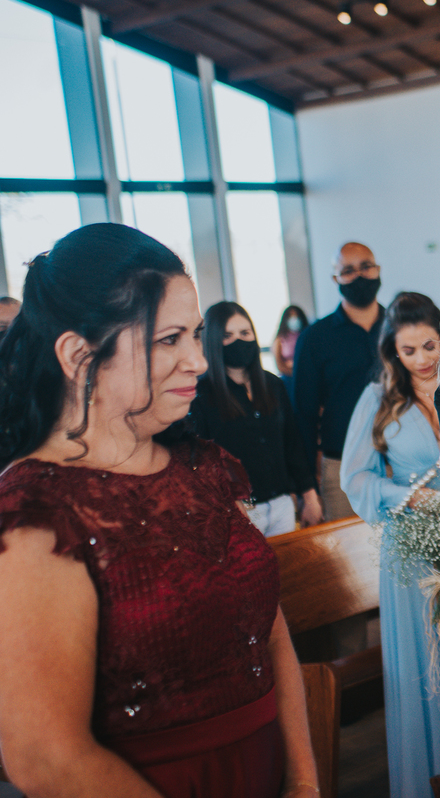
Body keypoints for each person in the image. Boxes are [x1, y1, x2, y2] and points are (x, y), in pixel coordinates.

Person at [0, 223, 318, 798]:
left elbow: (271, 639)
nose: (199, 359)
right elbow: (45, 756)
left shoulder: (204, 469)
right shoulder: (36, 510)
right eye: (170, 339)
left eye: (196, 335)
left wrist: (304, 781)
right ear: (79, 355)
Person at [341, 292, 440, 798]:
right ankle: (428, 776)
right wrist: (405, 497)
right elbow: (355, 479)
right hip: (412, 550)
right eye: (409, 351)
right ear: (394, 353)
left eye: (429, 345)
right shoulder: (379, 399)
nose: (423, 359)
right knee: (424, 665)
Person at [190, 301, 322, 537]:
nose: (238, 341)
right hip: (239, 510)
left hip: (282, 504)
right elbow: (201, 462)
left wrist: (309, 495)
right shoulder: (201, 396)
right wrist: (228, 502)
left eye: (244, 333)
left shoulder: (273, 385)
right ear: (212, 340)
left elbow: (292, 444)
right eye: (227, 335)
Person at [292, 242, 384, 521]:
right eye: (348, 270)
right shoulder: (315, 338)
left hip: (401, 460)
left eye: (366, 267)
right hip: (342, 467)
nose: (359, 276)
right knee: (349, 559)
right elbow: (304, 415)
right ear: (336, 279)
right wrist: (307, 488)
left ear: (377, 269)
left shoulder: (399, 326)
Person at [272, 305, 308, 403]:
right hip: (289, 379)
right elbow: (280, 365)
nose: (294, 319)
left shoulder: (307, 337)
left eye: (296, 316)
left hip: (307, 377)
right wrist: (296, 375)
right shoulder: (280, 340)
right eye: (291, 316)